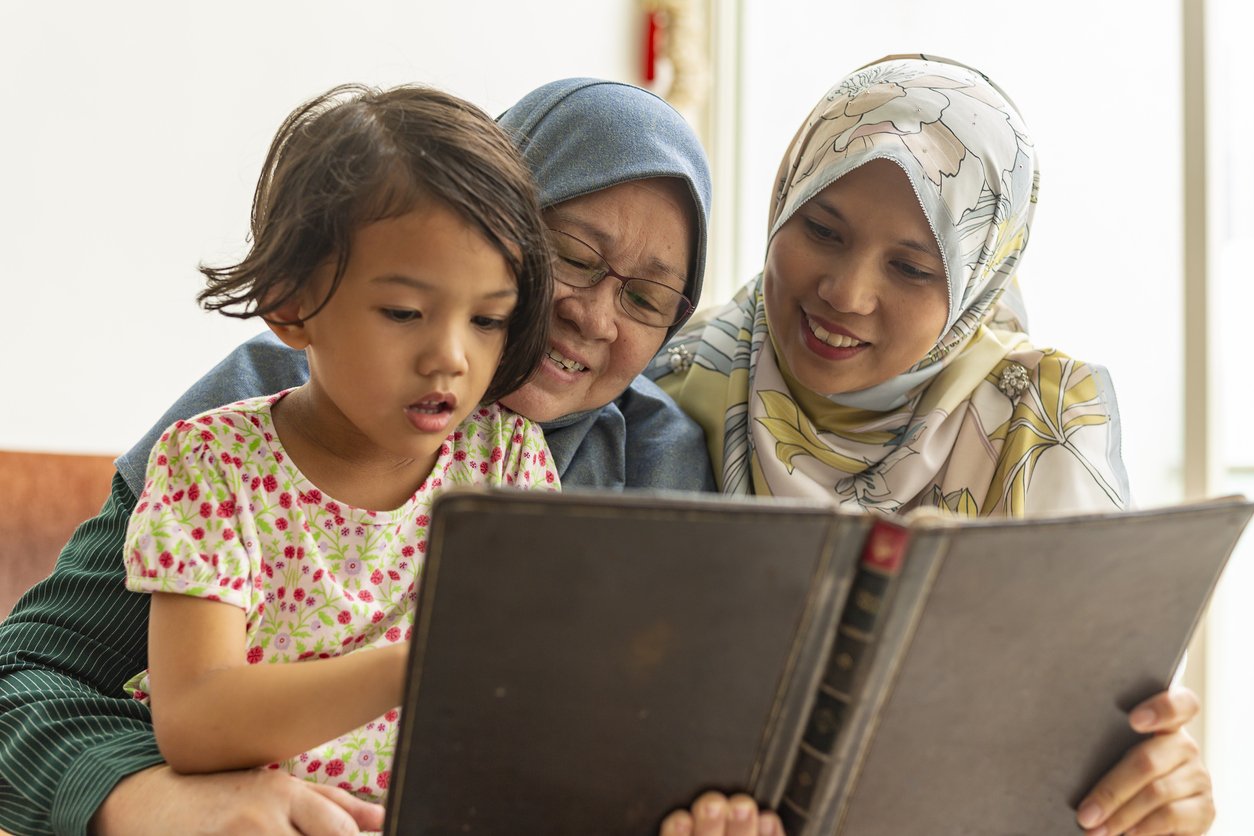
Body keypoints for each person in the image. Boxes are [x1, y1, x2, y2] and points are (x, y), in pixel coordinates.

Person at [0, 78, 714, 836]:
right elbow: (28, 680)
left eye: (645, 300)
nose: (593, 316)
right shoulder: (238, 434)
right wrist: (146, 797)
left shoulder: (643, 459)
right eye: (569, 256)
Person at [651, 54, 1213, 836]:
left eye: (914, 267)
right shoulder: (673, 373)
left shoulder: (1039, 421)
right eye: (821, 229)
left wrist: (1157, 801)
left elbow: (1097, 754)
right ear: (783, 200)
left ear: (979, 280)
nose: (846, 294)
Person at [118, 81, 563, 800]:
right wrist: (411, 670)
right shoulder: (214, 463)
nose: (450, 356)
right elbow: (194, 718)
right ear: (292, 304)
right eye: (404, 311)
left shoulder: (505, 463)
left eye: (487, 320)